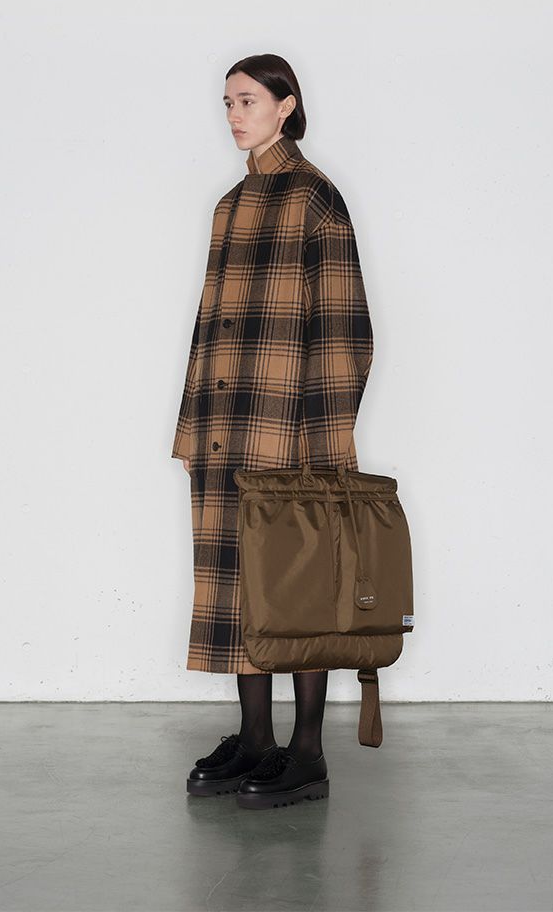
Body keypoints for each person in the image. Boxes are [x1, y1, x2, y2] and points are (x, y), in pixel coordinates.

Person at [172, 54, 373, 808]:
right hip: (224, 428)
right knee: (237, 585)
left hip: (292, 431)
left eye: (248, 100)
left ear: (286, 106)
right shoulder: (229, 205)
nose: (233, 114)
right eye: (227, 102)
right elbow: (209, 326)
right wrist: (191, 427)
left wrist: (326, 445)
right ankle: (256, 738)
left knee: (300, 589)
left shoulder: (315, 197)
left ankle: (308, 752)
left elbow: (348, 330)